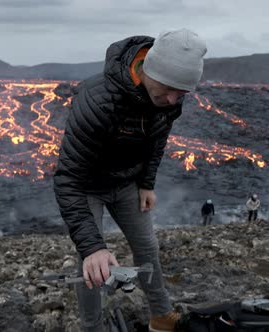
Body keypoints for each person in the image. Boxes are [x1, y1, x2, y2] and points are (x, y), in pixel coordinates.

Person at [53, 29, 207, 332]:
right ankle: (93, 327)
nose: (176, 99)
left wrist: (147, 183)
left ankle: (161, 315)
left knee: (148, 246)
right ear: (150, 70)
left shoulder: (168, 100)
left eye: (183, 93)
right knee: (92, 267)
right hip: (87, 187)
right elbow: (68, 178)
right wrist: (93, 247)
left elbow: (156, 144)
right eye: (172, 88)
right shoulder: (97, 100)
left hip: (126, 185)